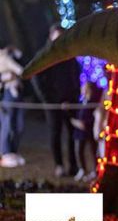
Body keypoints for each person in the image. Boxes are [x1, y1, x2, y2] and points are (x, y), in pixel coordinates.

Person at [31, 23, 81, 177]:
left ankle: (73, 166)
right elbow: (37, 78)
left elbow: (74, 76)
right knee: (56, 133)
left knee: (72, 133)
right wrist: (49, 99)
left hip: (70, 101)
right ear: (50, 37)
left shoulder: (69, 55)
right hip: (52, 103)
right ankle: (59, 165)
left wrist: (73, 96)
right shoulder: (44, 55)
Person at [71, 81, 102, 182]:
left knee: (93, 151)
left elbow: (91, 118)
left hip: (89, 131)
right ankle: (82, 170)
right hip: (79, 132)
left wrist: (82, 123)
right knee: (78, 150)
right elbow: (77, 114)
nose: (82, 90)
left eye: (84, 88)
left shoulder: (92, 103)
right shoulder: (81, 102)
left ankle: (95, 170)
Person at [0, 46, 26, 167]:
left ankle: (13, 152)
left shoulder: (13, 56)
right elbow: (21, 71)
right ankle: (5, 153)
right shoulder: (4, 59)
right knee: (7, 124)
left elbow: (23, 69)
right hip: (7, 95)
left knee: (19, 125)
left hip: (19, 93)